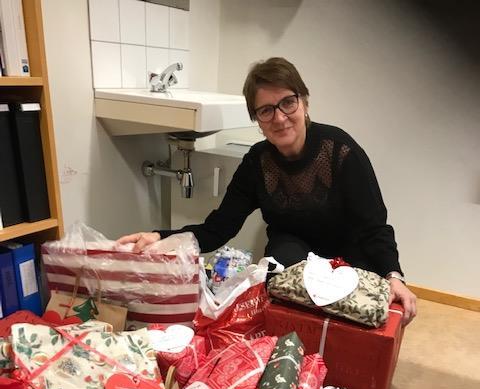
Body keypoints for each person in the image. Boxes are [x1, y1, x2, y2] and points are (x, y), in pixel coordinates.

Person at [117, 57, 416, 325]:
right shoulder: (256, 163)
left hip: (349, 251)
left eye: (288, 102)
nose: (280, 117)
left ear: (304, 103)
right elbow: (218, 228)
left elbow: (374, 226)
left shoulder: (341, 151)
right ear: (257, 121)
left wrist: (394, 275)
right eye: (266, 110)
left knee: (358, 308)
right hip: (293, 251)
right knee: (279, 283)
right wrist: (161, 237)